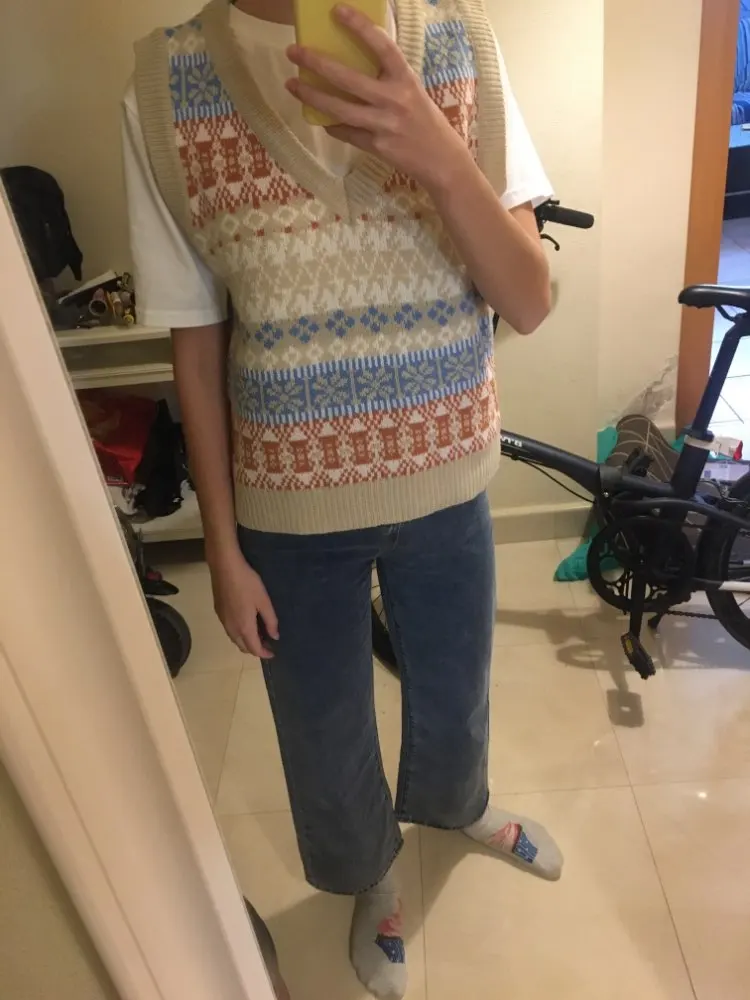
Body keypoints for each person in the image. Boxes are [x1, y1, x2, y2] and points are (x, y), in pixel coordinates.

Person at [123, 1, 561, 996]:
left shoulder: (457, 41)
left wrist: (441, 158)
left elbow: (530, 301)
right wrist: (222, 549)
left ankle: (458, 807)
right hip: (287, 507)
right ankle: (370, 876)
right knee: (321, 729)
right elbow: (196, 344)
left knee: (456, 686)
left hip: (448, 472)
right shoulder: (164, 84)